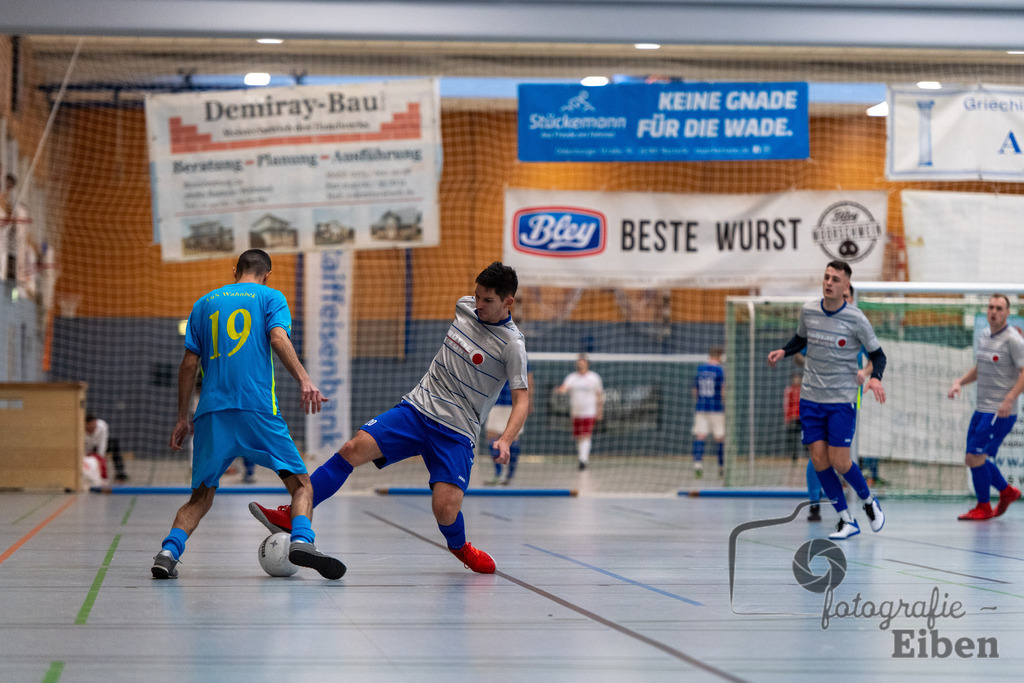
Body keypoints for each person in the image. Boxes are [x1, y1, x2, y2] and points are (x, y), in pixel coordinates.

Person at [249, 262, 529, 574]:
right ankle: (293, 514)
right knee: (351, 449)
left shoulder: (513, 346)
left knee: (445, 510)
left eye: (487, 301)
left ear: (508, 301)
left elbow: (522, 400)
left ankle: (461, 547)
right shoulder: (463, 307)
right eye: (477, 296)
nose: (478, 305)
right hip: (416, 409)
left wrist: (505, 438)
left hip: (457, 430)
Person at [152, 249, 344, 580]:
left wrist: (182, 417)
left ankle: (168, 552)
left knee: (200, 497)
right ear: (266, 274)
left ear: (234, 270)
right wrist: (305, 379)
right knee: (301, 487)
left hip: (212, 414)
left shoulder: (204, 303)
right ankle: (302, 541)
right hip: (257, 411)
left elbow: (187, 365)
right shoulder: (271, 297)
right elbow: (278, 337)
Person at [767, 260, 888, 540]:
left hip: (841, 400)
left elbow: (878, 355)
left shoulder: (856, 319)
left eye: (835, 279)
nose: (829, 282)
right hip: (810, 398)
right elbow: (799, 339)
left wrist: (875, 376)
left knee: (840, 461)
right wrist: (784, 352)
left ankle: (870, 502)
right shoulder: (809, 311)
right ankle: (847, 520)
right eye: (826, 277)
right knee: (819, 460)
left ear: (846, 286)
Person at [947, 294, 1024, 520]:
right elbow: (980, 368)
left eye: (999, 308)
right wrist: (959, 382)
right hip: (982, 408)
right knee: (973, 458)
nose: (994, 312)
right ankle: (1007, 492)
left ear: (1008, 312)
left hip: (1000, 410)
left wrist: (1009, 398)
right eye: (991, 307)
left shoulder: (1013, 339)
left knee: (976, 457)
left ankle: (985, 506)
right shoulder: (984, 335)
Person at [485, 369, 534, 485]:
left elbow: (529, 379)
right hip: (496, 401)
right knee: (491, 436)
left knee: (513, 437)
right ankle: (499, 474)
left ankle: (509, 475)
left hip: (514, 402)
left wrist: (530, 402)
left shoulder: (521, 354)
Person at [556, 354, 604, 470]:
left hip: (589, 411)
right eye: (579, 362)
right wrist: (560, 390)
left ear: (587, 364)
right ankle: (581, 457)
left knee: (586, 435)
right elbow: (564, 388)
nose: (580, 365)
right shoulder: (572, 377)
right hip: (576, 412)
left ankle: (583, 460)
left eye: (582, 362)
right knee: (579, 437)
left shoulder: (594, 378)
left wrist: (599, 410)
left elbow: (599, 394)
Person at [692, 346, 726, 478]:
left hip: (702, 407)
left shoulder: (701, 369)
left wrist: (699, 401)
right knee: (719, 437)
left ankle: (698, 465)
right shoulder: (719, 370)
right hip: (716, 408)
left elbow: (695, 389)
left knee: (700, 436)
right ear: (719, 356)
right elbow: (723, 389)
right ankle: (721, 467)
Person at [85, 414, 128, 482]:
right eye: (91, 426)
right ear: (86, 425)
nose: (93, 427)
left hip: (98, 446)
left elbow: (102, 443)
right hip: (87, 448)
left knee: (114, 443)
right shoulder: (80, 430)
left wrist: (100, 459)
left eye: (94, 425)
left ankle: (120, 472)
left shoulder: (102, 426)